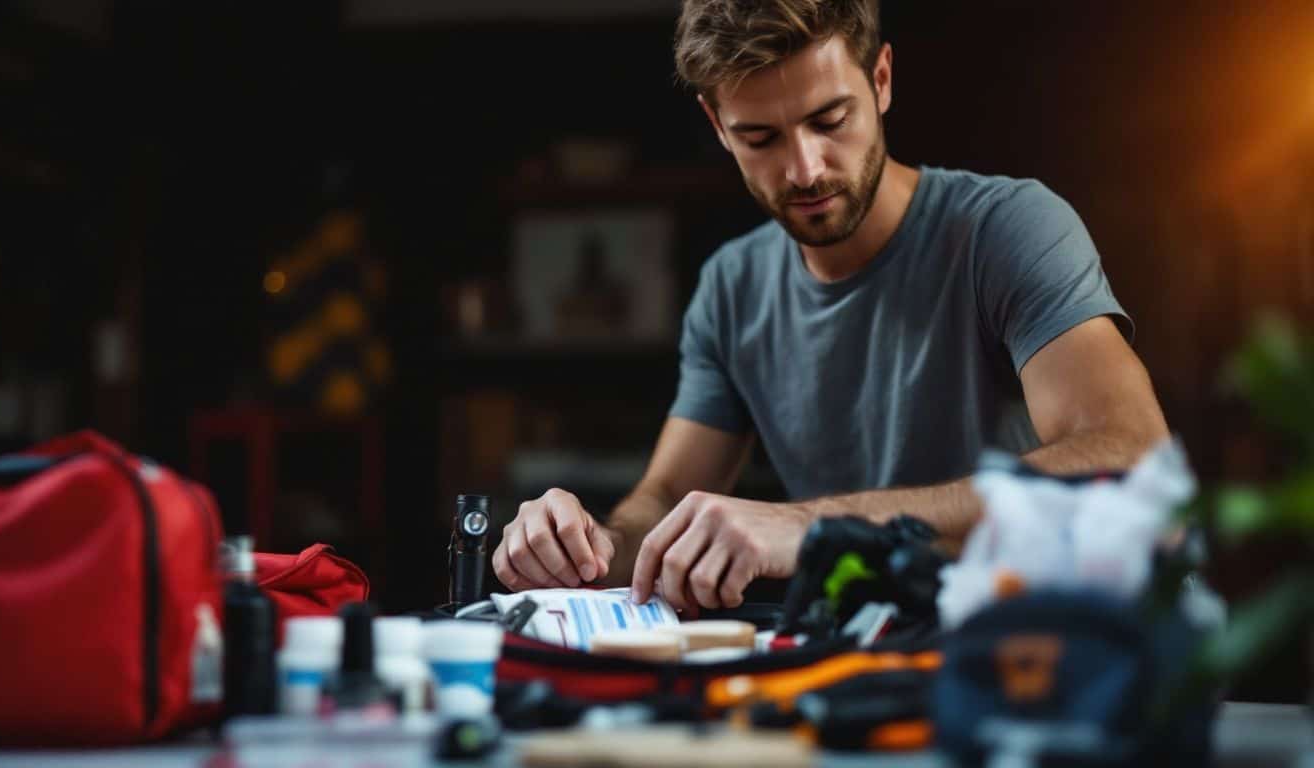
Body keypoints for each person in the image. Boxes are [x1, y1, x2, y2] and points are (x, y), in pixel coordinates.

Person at [491, 0, 1169, 616]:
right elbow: (666, 504)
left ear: (881, 80)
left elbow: (1130, 457)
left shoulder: (1007, 230)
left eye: (829, 120)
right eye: (760, 139)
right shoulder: (731, 288)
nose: (805, 169)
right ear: (716, 125)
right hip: (886, 660)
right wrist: (582, 546)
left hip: (1083, 644)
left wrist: (812, 523)